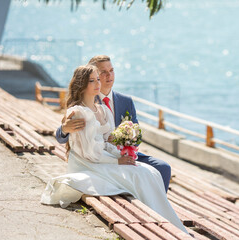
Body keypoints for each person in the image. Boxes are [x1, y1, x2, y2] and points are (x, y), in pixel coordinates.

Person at [41, 65, 188, 233]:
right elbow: (89, 152)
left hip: (104, 158)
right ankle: (156, 224)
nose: (98, 82)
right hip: (88, 163)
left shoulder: (102, 110)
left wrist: (121, 154)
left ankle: (163, 222)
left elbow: (107, 142)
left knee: (151, 171)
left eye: (98, 79)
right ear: (82, 84)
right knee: (139, 175)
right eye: (92, 80)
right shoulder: (78, 113)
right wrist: (117, 160)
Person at [55, 55, 172, 192]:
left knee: (163, 168)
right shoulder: (87, 100)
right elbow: (60, 136)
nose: (108, 75)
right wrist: (64, 129)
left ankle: (155, 207)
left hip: (121, 153)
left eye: (111, 70)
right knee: (136, 176)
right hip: (99, 158)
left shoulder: (125, 101)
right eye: (103, 72)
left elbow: (137, 135)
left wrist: (123, 141)